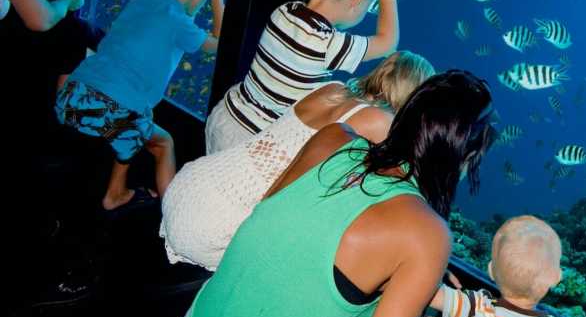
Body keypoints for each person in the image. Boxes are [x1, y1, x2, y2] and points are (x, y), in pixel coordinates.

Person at [177, 70, 497, 317]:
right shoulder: (427, 235)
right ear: (464, 160)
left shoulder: (333, 138)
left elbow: (270, 222)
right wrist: (418, 283)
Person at [161, 51, 435, 271]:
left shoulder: (331, 88)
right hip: (218, 219)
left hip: (192, 183)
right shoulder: (380, 121)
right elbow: (408, 185)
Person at [54, 0, 230, 211]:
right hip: (112, 112)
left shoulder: (140, 2)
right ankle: (166, 215)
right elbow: (221, 43)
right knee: (163, 143)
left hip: (70, 97)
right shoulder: (179, 23)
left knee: (127, 112)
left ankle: (114, 187)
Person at [204, 0, 403, 154]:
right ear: (357, 1)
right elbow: (388, 42)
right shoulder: (328, 45)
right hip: (252, 141)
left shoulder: (284, 11)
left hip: (226, 115)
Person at [428, 215, 586, 317]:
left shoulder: (472, 309)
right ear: (556, 278)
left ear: (491, 270)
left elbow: (425, 291)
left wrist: (441, 270)